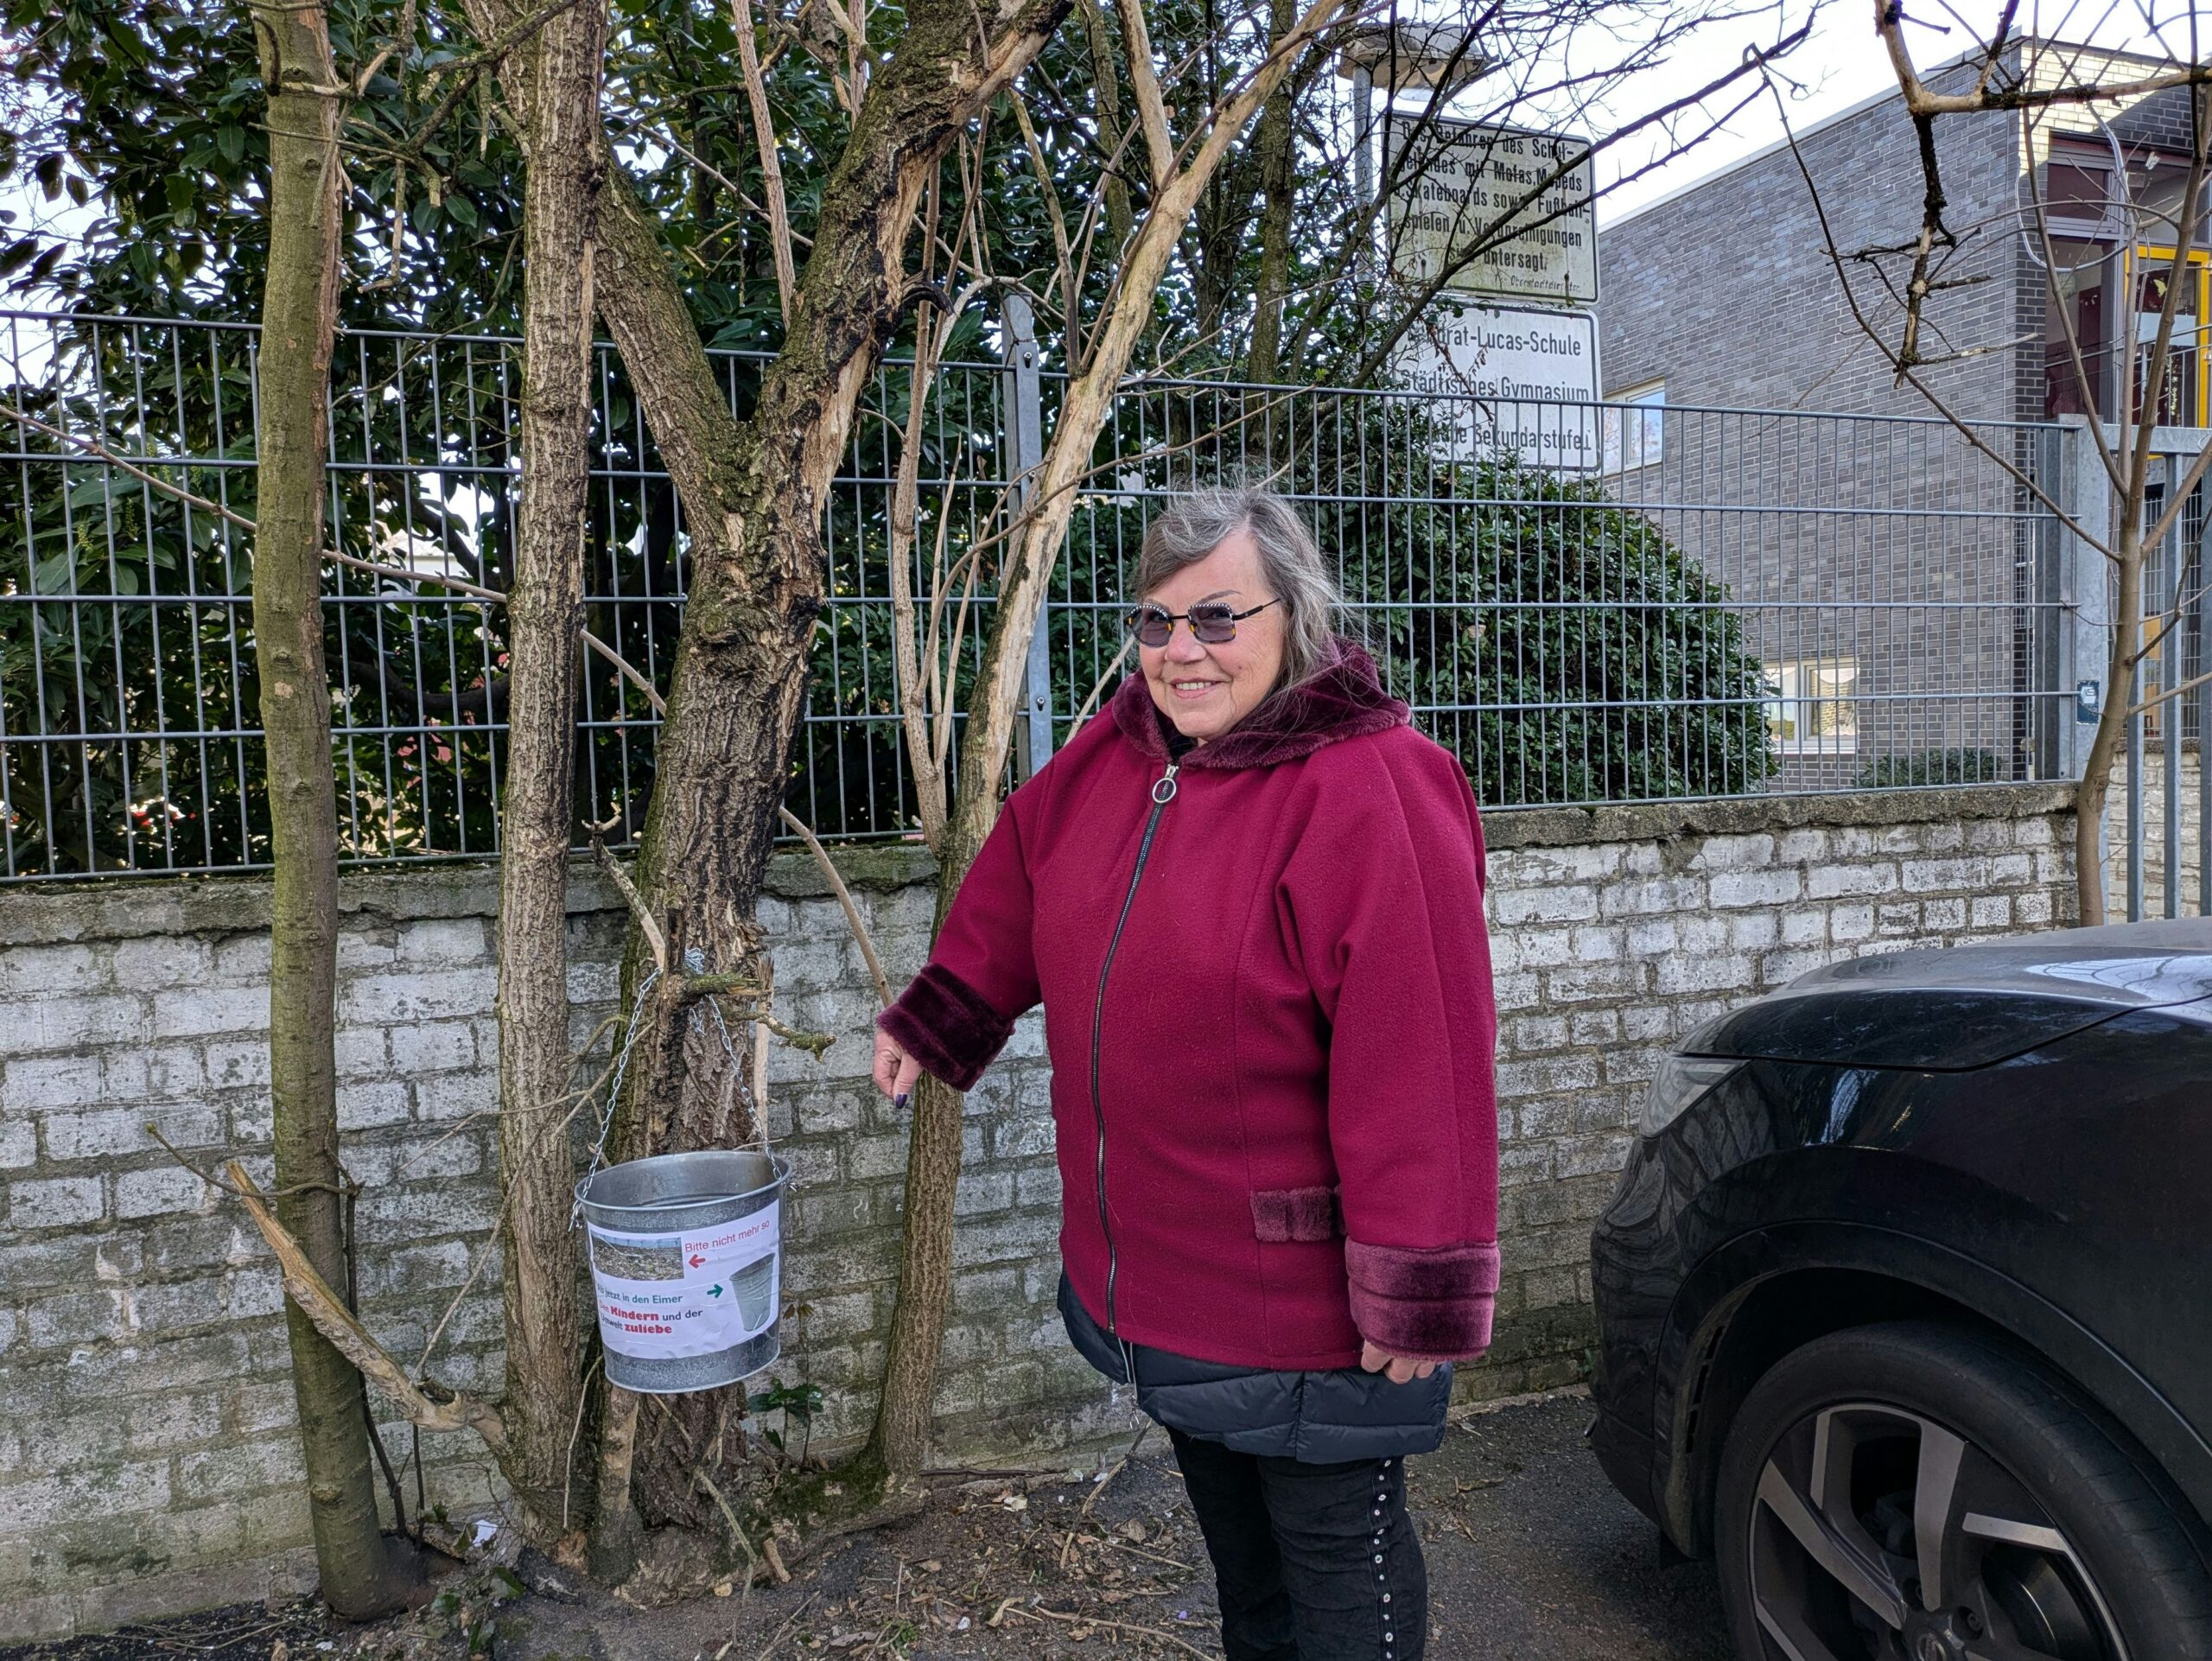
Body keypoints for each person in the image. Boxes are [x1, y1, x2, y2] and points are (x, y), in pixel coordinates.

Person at [871, 484, 1499, 1661]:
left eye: (1216, 617)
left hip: (1310, 1308)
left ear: (1295, 614)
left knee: (1336, 1582)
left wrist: (1420, 1277)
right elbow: (1018, 879)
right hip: (1170, 1284)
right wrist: (941, 1013)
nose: (1179, 651)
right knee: (1246, 1580)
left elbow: (1429, 1057)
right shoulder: (1116, 761)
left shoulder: (1373, 784)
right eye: (1155, 623)